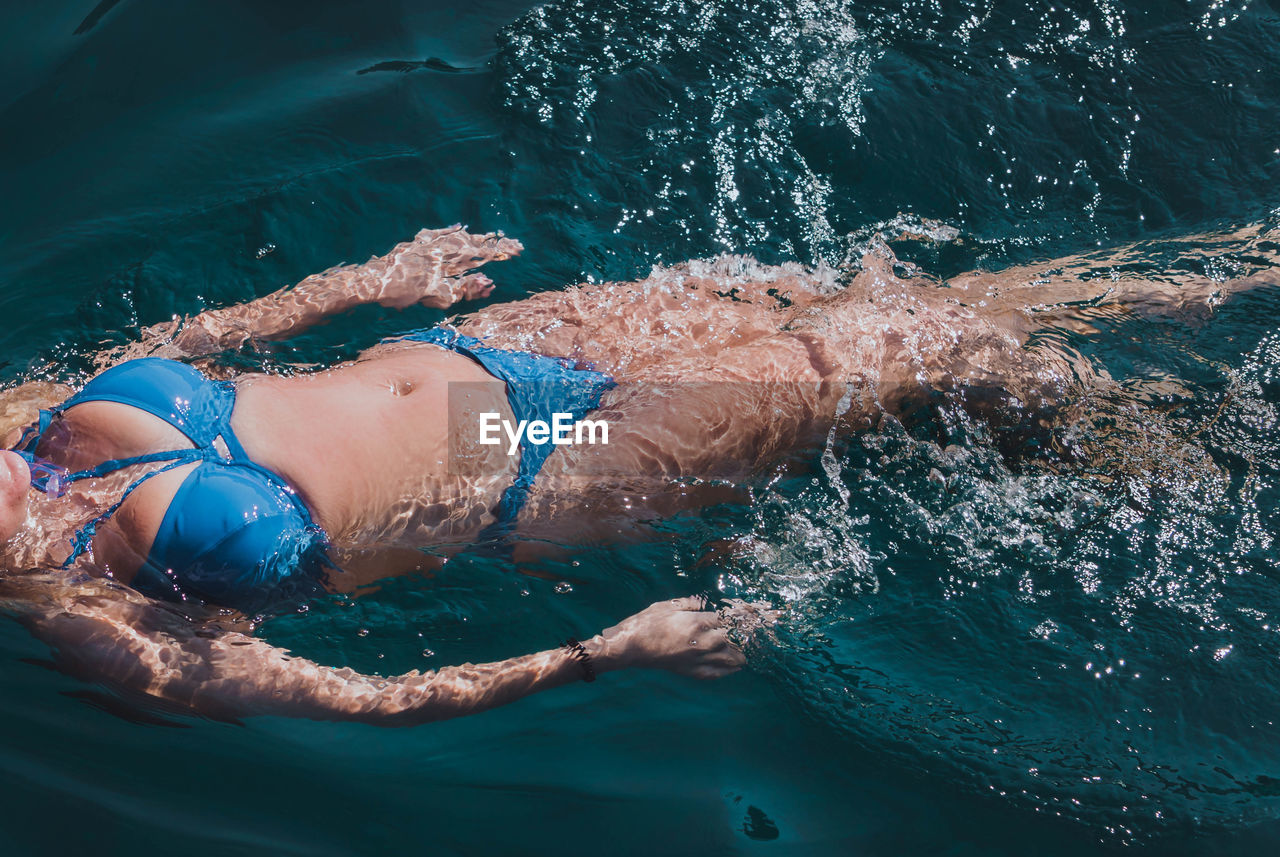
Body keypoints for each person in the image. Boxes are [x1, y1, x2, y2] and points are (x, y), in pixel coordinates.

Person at [0, 222, 1275, 724]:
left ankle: (1201, 288)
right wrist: (604, 653)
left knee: (871, 299)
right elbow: (361, 699)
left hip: (478, 349)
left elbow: (175, 344)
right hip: (512, 464)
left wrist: (363, 285)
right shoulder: (96, 621)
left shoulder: (12, 424)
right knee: (913, 341)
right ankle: (1187, 414)